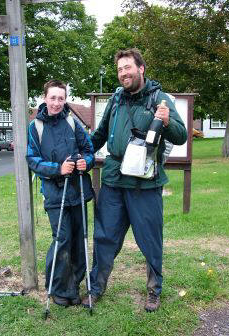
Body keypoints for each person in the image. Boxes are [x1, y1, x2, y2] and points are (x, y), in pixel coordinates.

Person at [82, 48, 187, 312]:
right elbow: (100, 134)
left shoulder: (160, 99)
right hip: (113, 181)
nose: (123, 73)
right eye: (119, 69)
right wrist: (82, 152)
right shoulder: (116, 99)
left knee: (150, 240)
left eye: (127, 67)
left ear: (141, 69)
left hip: (145, 184)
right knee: (105, 237)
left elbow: (181, 135)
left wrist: (166, 122)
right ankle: (96, 287)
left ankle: (154, 291)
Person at [26, 80, 95, 307]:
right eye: (53, 98)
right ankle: (58, 288)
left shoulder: (72, 122)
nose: (57, 102)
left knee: (78, 239)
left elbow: (88, 150)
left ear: (65, 99)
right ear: (44, 98)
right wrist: (58, 169)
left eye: (61, 98)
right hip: (55, 194)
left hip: (78, 191)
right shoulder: (35, 127)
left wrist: (87, 162)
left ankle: (73, 287)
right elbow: (32, 159)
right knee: (62, 238)